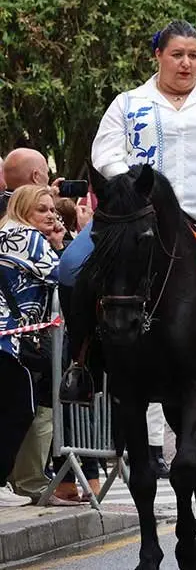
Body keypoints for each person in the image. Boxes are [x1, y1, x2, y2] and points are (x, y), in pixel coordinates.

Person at [59, 20, 196, 411]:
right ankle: (80, 364)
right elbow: (105, 155)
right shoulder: (128, 103)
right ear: (158, 56)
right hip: (138, 214)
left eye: (193, 55)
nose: (186, 63)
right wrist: (135, 189)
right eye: (177, 55)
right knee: (70, 265)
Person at [0, 186, 61, 507]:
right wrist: (60, 246)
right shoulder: (28, 237)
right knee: (21, 409)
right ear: (23, 210)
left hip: (9, 337)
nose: (51, 215)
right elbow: (64, 275)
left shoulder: (5, 233)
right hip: (10, 341)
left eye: (53, 209)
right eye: (42, 209)